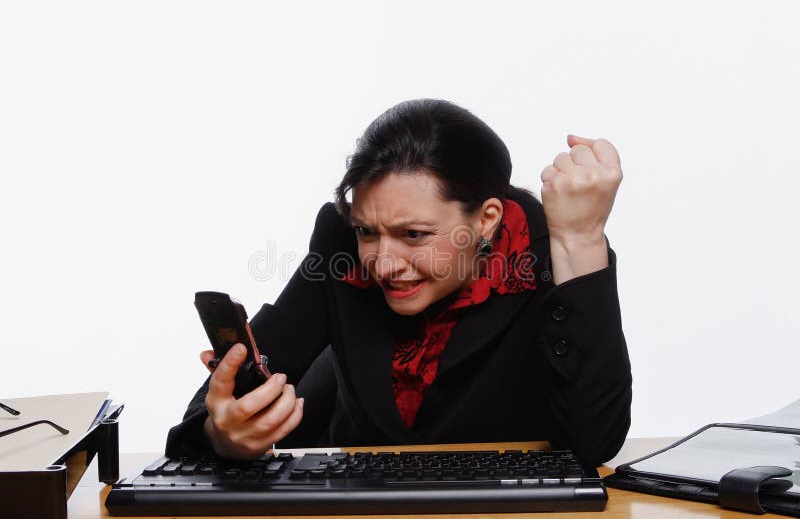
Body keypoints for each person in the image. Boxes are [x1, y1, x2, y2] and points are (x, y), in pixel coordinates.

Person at [166, 99, 631, 467]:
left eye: (414, 235)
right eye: (368, 231)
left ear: (487, 219)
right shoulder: (340, 241)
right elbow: (210, 412)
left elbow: (594, 443)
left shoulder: (556, 246)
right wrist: (220, 435)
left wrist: (582, 239)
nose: (383, 264)